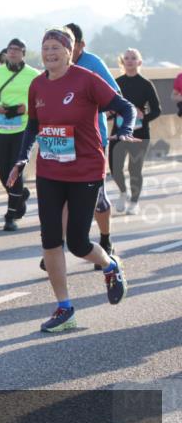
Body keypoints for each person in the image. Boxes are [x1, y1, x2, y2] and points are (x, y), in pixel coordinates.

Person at [7, 28, 136, 333]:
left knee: (77, 243)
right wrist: (23, 157)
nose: (50, 53)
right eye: (45, 48)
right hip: (50, 171)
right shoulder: (37, 85)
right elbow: (33, 126)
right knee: (50, 239)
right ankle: (65, 308)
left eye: (56, 48)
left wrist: (126, 129)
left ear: (69, 51)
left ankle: (110, 266)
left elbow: (124, 106)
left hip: (86, 171)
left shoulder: (86, 79)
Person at [66, 22, 119, 266]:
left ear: (80, 45)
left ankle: (105, 240)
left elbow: (114, 95)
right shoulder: (54, 66)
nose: (62, 48)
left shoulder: (92, 63)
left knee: (97, 196)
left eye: (69, 42)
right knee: (61, 196)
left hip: (92, 140)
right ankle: (55, 247)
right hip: (61, 141)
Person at [0, 38, 40, 231]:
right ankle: (19, 195)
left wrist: (26, 109)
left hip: (23, 129)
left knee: (16, 170)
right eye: (9, 50)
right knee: (2, 172)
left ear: (24, 53)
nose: (12, 53)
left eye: (17, 50)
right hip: (1, 127)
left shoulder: (33, 75)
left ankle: (10, 215)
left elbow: (42, 100)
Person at [113, 48, 161, 214]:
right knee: (114, 167)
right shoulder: (116, 82)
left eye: (133, 58)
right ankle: (122, 193)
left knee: (135, 169)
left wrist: (143, 116)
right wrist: (110, 113)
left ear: (139, 62)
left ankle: (134, 202)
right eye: (126, 58)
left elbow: (157, 110)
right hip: (118, 132)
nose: (130, 60)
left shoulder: (146, 84)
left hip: (139, 134)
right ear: (122, 61)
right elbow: (110, 106)